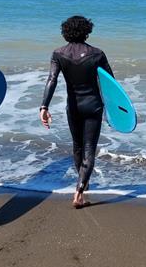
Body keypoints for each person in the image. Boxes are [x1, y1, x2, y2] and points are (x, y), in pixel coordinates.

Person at [39, 16, 113, 209]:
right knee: (89, 148)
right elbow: (111, 85)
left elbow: (51, 80)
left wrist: (44, 107)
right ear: (87, 31)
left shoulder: (58, 54)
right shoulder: (97, 54)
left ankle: (82, 181)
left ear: (65, 32)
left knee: (77, 146)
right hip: (93, 106)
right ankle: (80, 191)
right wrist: (116, 113)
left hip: (73, 107)